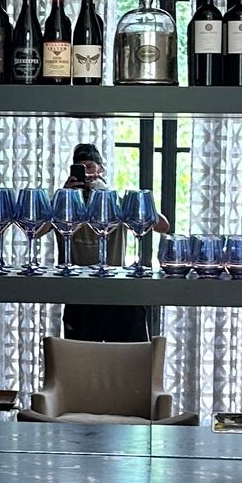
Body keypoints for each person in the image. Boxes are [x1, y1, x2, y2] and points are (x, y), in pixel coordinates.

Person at [60, 142, 157, 344]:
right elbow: (39, 229)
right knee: (80, 363)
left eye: (90, 167)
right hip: (78, 296)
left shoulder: (115, 203)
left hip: (116, 294)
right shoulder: (65, 206)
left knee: (127, 361)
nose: (86, 174)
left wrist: (113, 196)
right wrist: (64, 196)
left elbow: (162, 225)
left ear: (101, 170)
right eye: (81, 168)